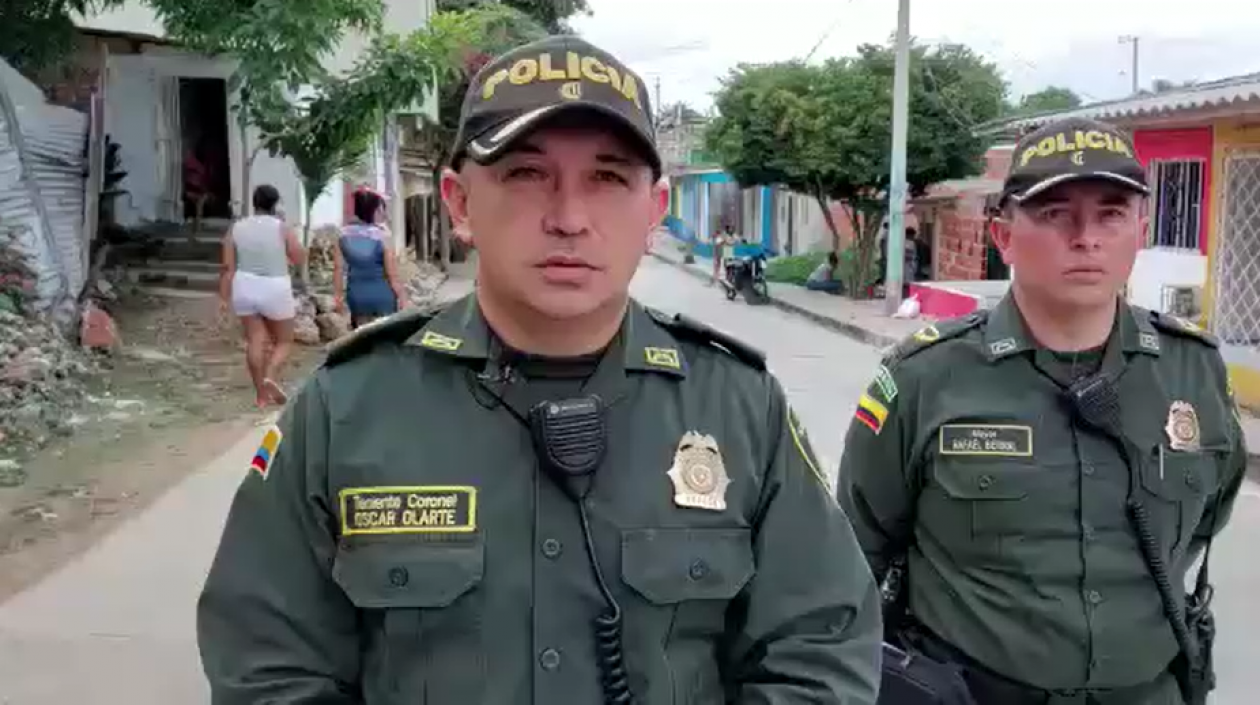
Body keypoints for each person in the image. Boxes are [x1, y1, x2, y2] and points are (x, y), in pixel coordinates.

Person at [198, 35, 883, 704]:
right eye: (526, 174)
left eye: (608, 177)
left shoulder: (739, 409)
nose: (569, 217)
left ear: (656, 210)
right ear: (459, 202)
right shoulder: (345, 408)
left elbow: (820, 649)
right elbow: (266, 663)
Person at [837, 117, 1248, 705]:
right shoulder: (926, 375)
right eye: (1055, 214)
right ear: (1003, 237)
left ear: (1142, 228)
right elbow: (855, 554)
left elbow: (1209, 514)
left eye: (1110, 213)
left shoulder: (1192, 370)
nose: (1086, 237)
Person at [217, 184, 305, 408]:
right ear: (275, 204)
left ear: (254, 203)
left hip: (245, 286)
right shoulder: (281, 227)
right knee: (284, 341)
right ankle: (271, 375)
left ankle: (261, 396)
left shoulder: (236, 228)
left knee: (256, 339)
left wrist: (223, 298)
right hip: (275, 285)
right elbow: (298, 258)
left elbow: (227, 267)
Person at [333, 187, 408, 329]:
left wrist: (337, 296)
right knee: (384, 337)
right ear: (374, 210)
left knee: (361, 337)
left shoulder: (342, 235)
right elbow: (392, 275)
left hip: (356, 296)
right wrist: (403, 298)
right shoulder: (383, 236)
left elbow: (338, 269)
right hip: (383, 296)